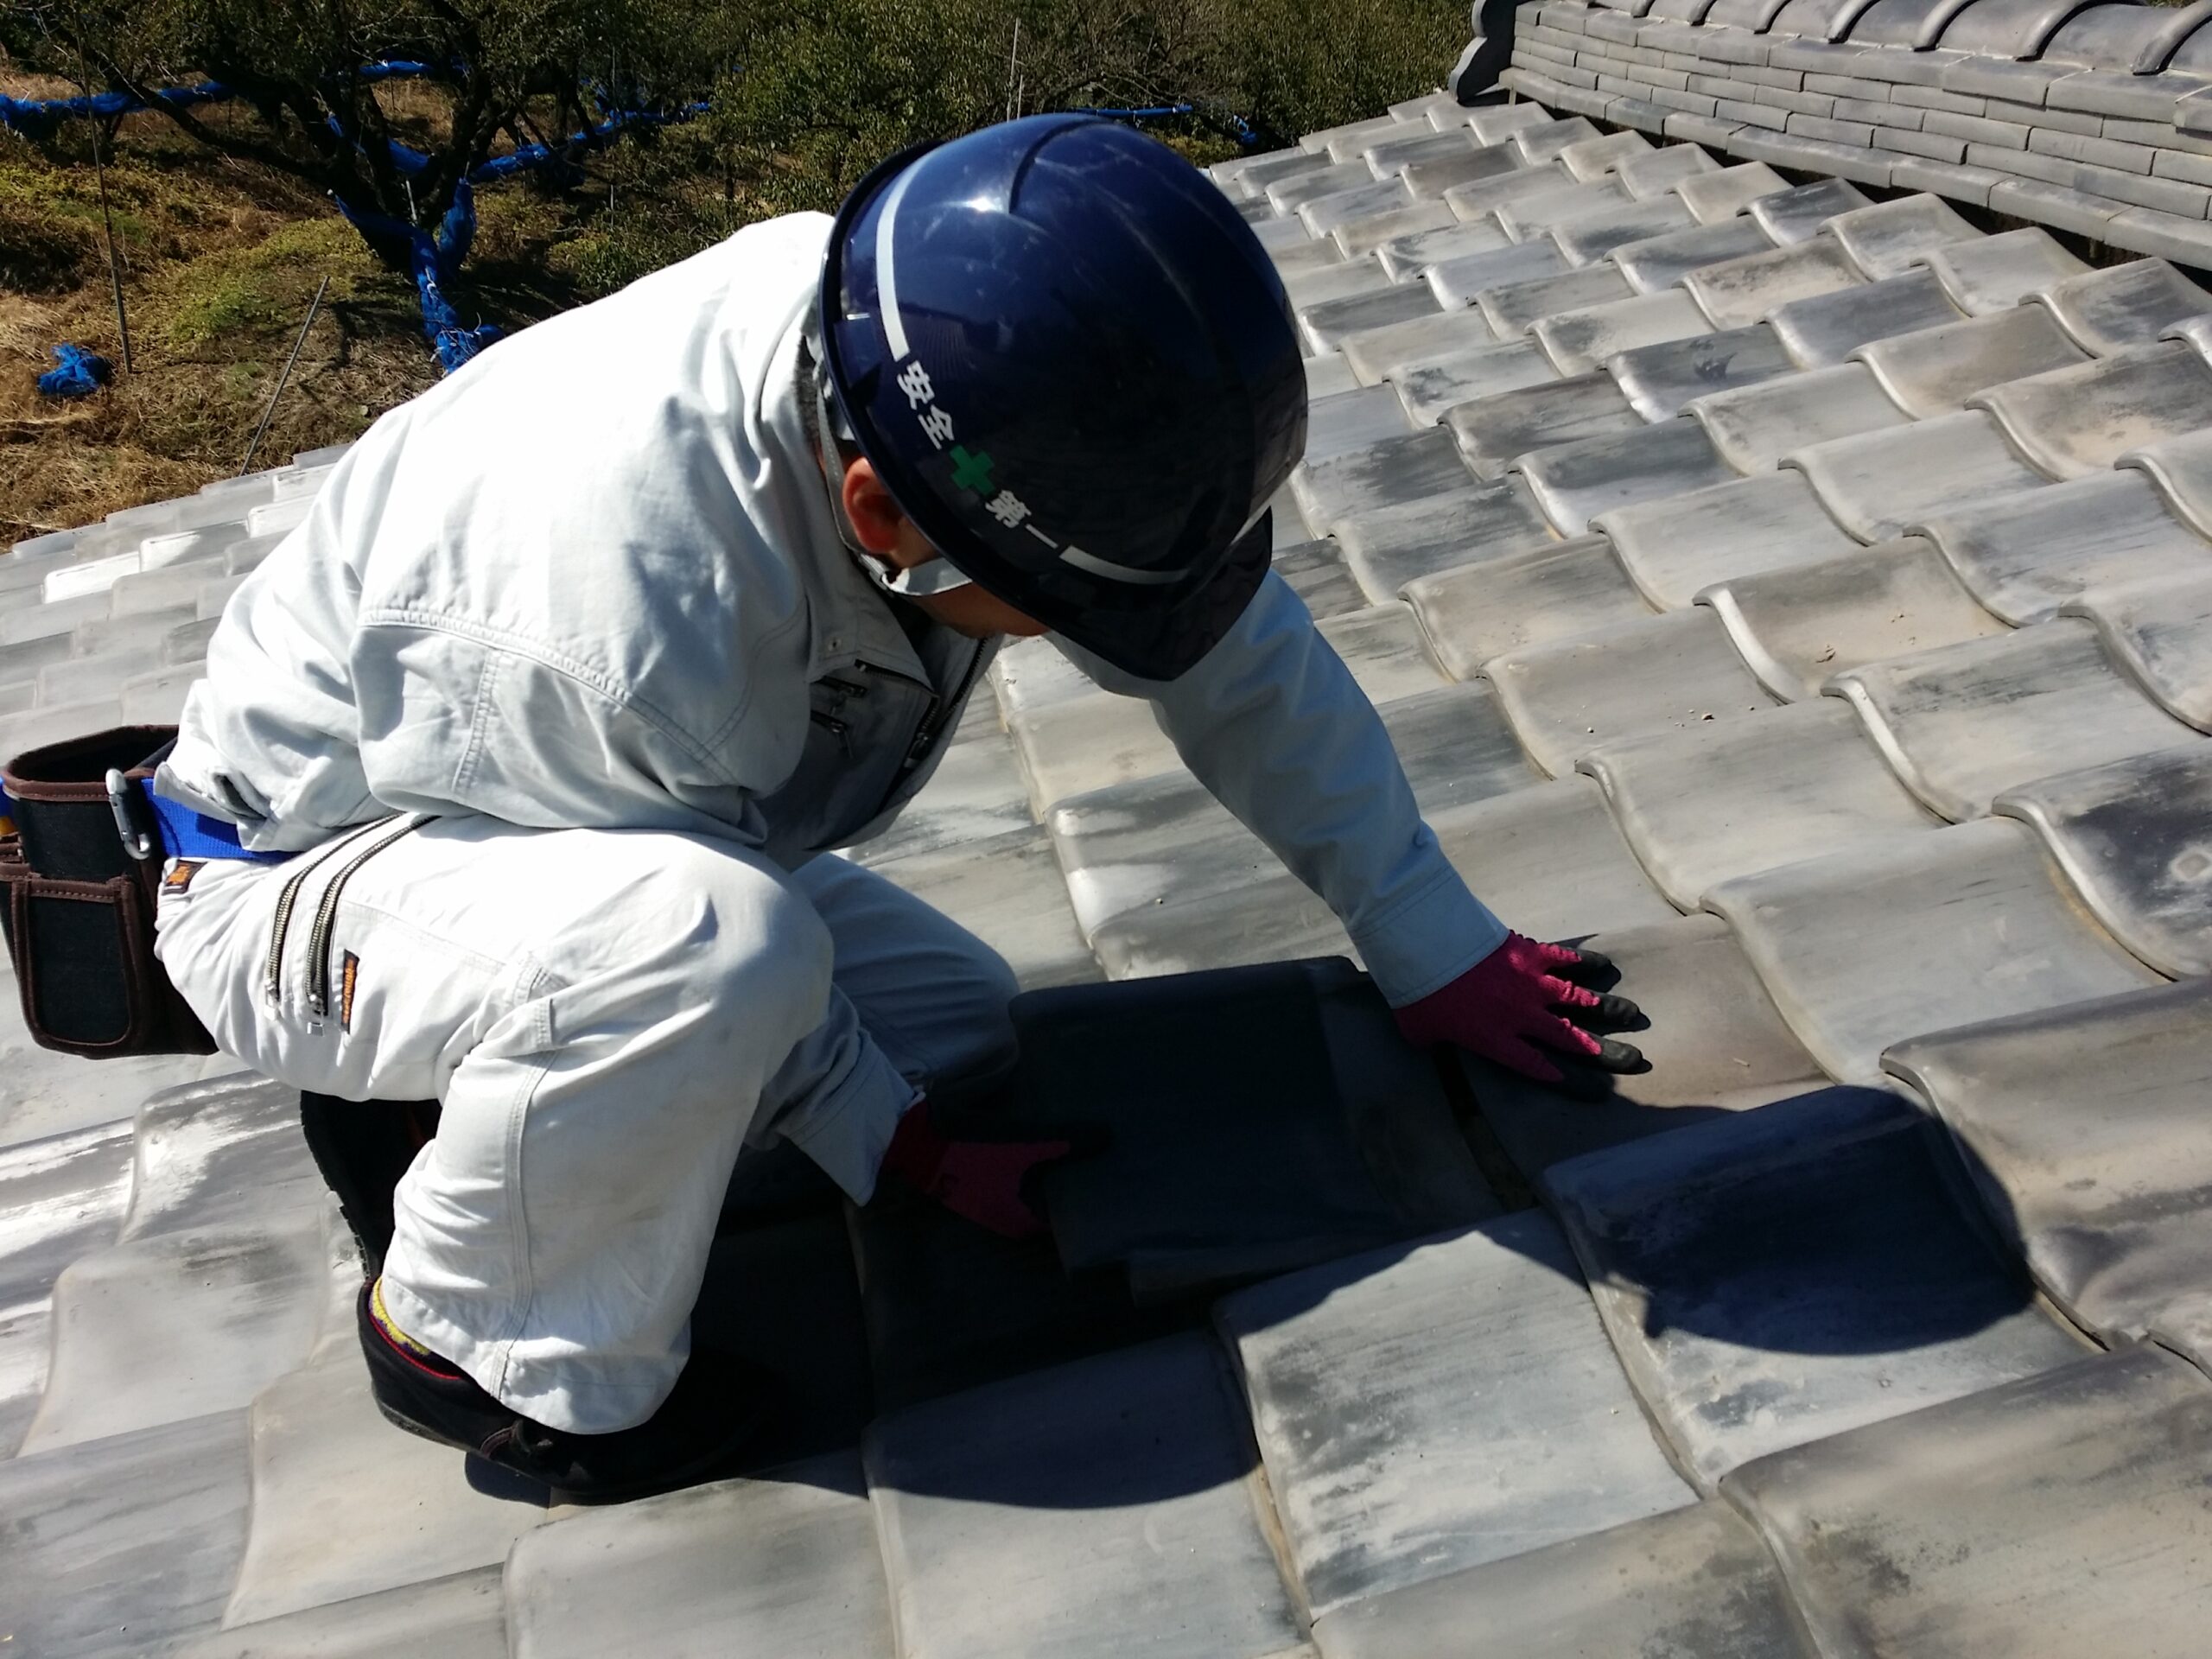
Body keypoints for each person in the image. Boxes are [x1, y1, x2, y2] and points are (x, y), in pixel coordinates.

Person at [149, 114, 1643, 1502]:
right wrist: (891, 1144)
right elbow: (680, 912)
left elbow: (1234, 659)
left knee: (958, 1028)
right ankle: (467, 1336)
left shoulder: (956, 345)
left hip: (580, 831)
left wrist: (1430, 941)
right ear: (877, 512)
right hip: (316, 866)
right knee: (708, 960)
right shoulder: (621, 630)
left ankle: (533, 1115)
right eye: (1049, 606)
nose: (1063, 634)